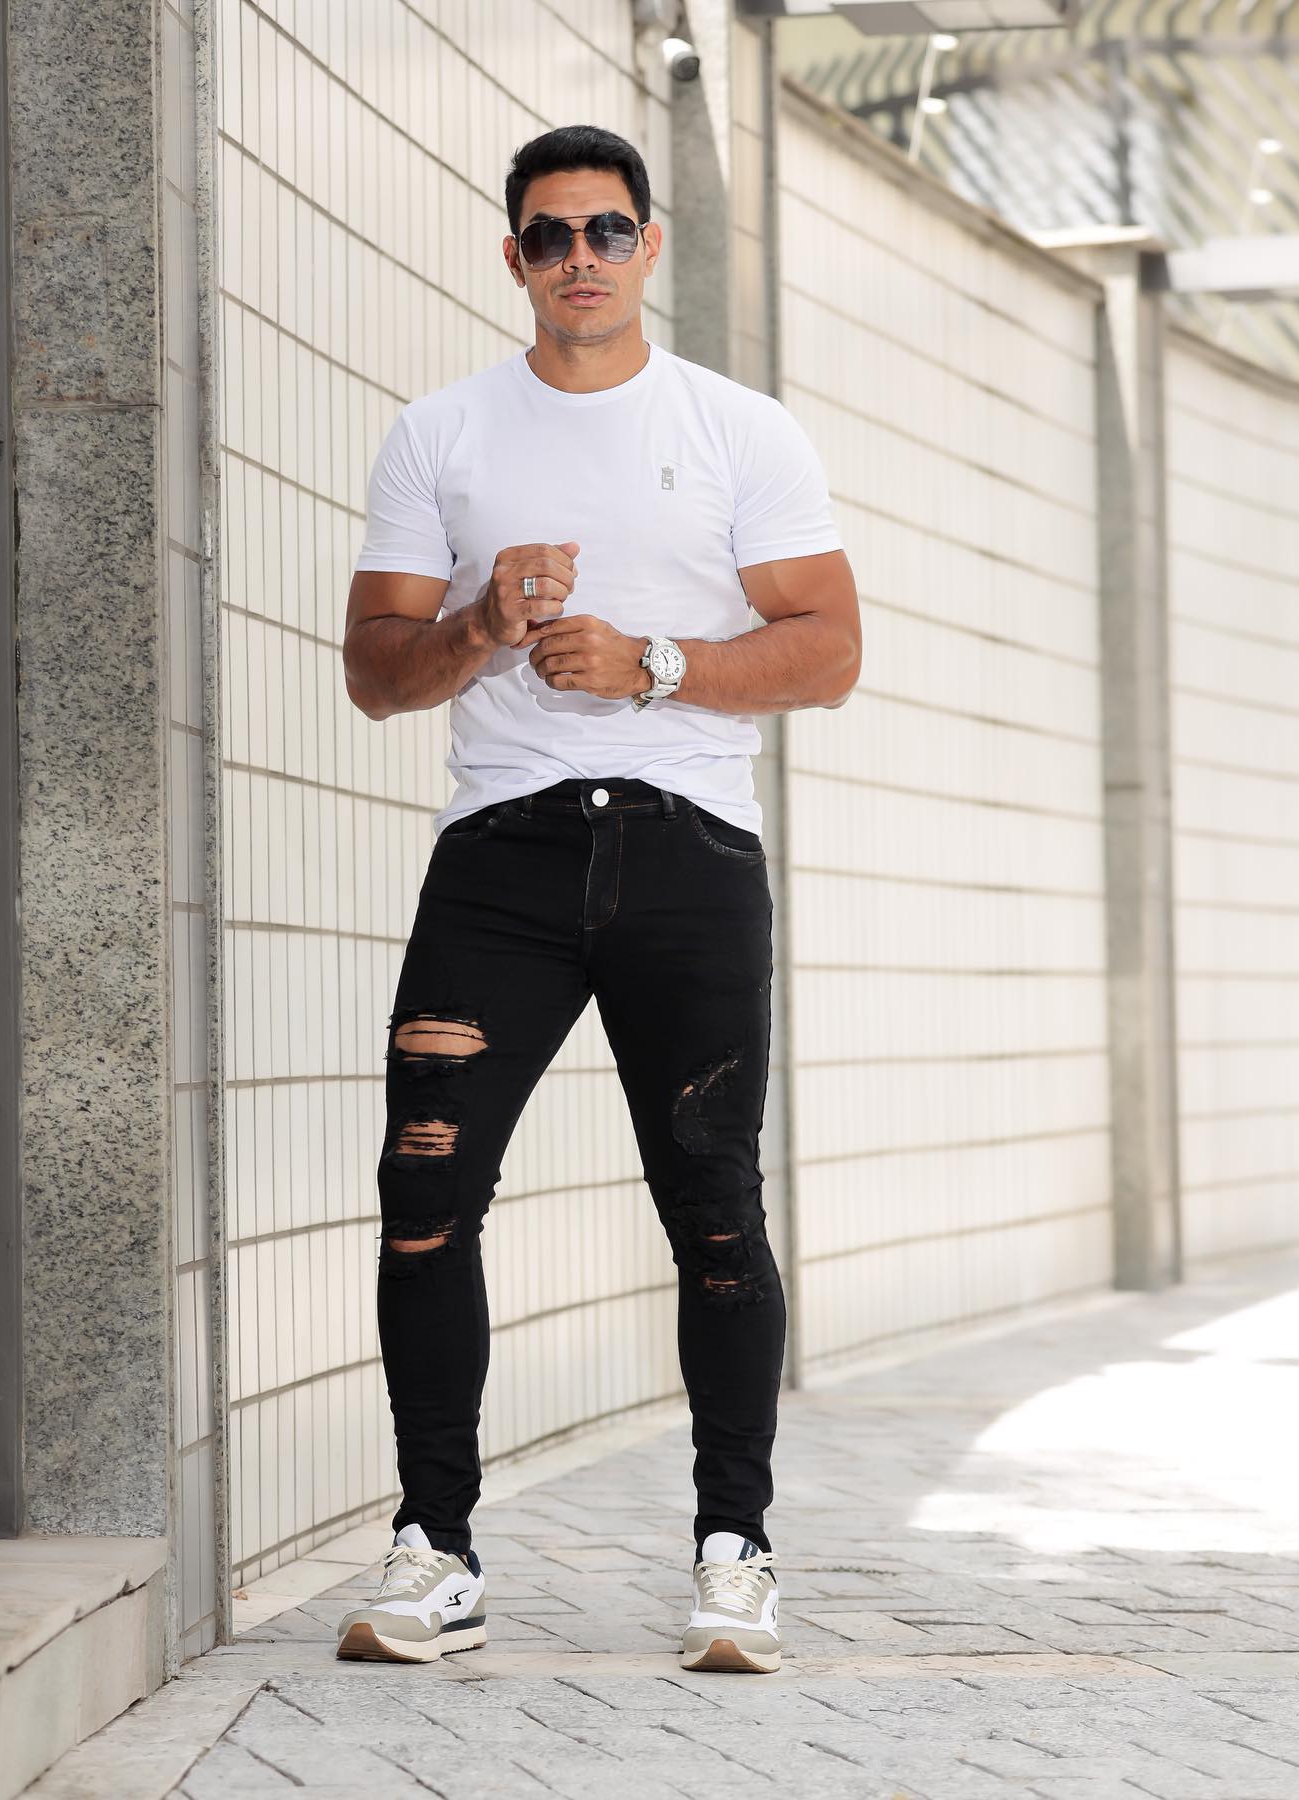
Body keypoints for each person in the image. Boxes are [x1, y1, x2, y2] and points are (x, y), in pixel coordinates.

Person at [334, 123, 860, 1676]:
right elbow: (374, 673)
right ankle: (437, 1551)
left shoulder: (738, 429)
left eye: (608, 231)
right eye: (552, 235)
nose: (582, 258)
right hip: (502, 852)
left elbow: (829, 651)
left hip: (690, 851)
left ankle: (734, 1553)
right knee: (426, 1191)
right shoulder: (440, 434)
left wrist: (657, 666)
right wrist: (480, 628)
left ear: (647, 247)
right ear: (515, 256)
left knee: (714, 1201)